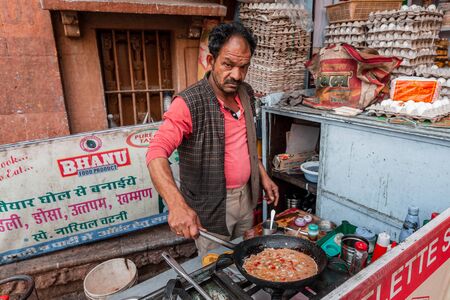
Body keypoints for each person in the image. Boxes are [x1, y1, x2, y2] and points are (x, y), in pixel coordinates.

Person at [146, 22, 279, 257]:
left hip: (247, 198)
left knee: (246, 256)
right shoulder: (188, 103)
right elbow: (155, 153)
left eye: (243, 67)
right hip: (211, 206)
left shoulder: (245, 93)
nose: (236, 75)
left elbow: (246, 144)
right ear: (210, 61)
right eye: (228, 64)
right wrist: (176, 205)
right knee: (215, 267)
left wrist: (263, 175)